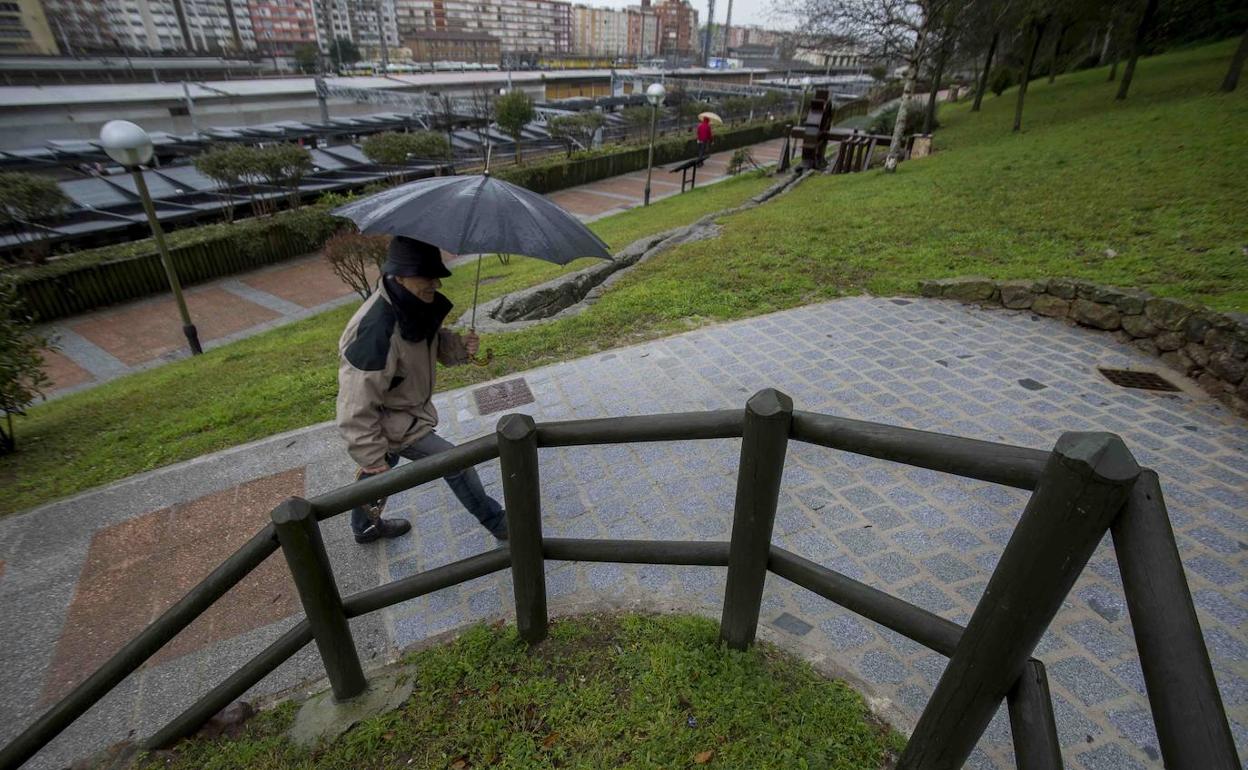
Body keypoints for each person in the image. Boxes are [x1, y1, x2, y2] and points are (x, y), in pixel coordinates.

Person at [336, 235, 507, 544]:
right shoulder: (374, 332)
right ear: (399, 274)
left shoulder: (409, 301)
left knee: (383, 465)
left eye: (436, 276)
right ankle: (501, 524)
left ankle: (364, 527)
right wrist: (371, 457)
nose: (435, 285)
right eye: (426, 276)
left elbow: (422, 340)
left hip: (403, 410)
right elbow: (354, 406)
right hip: (391, 420)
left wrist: (457, 346)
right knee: (454, 462)